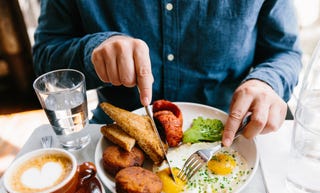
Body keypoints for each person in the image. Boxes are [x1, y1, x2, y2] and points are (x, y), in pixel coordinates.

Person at [33, 0, 302, 147]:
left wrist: (266, 82)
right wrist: (92, 51)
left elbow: (285, 52)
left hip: (231, 135)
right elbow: (45, 58)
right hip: (115, 132)